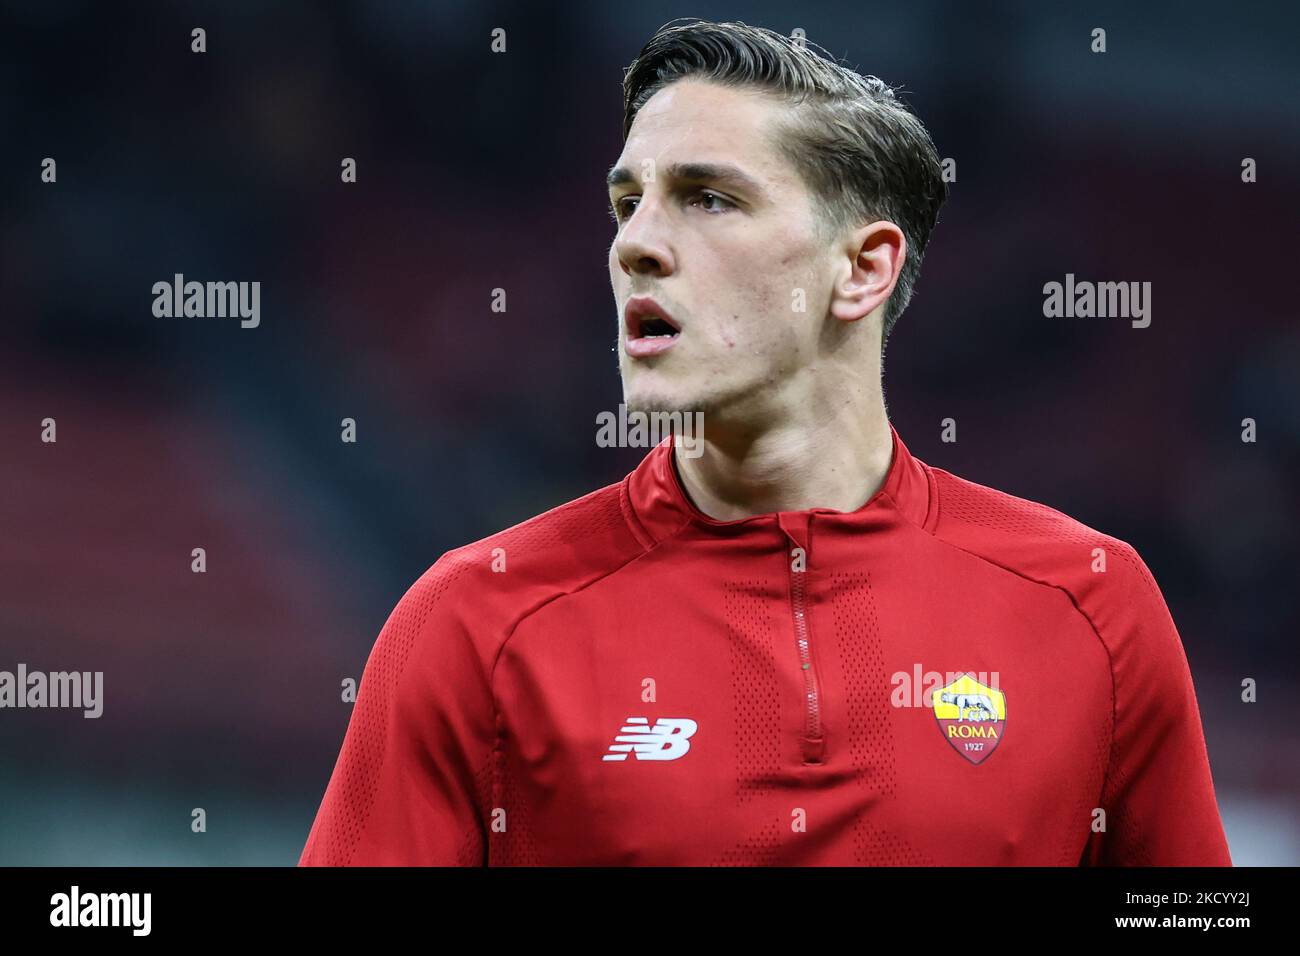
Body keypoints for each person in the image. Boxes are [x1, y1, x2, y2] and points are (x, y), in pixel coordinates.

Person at [298, 18, 1231, 866]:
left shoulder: (1091, 605)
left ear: (862, 269)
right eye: (629, 203)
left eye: (707, 199)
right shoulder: (475, 622)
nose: (636, 246)